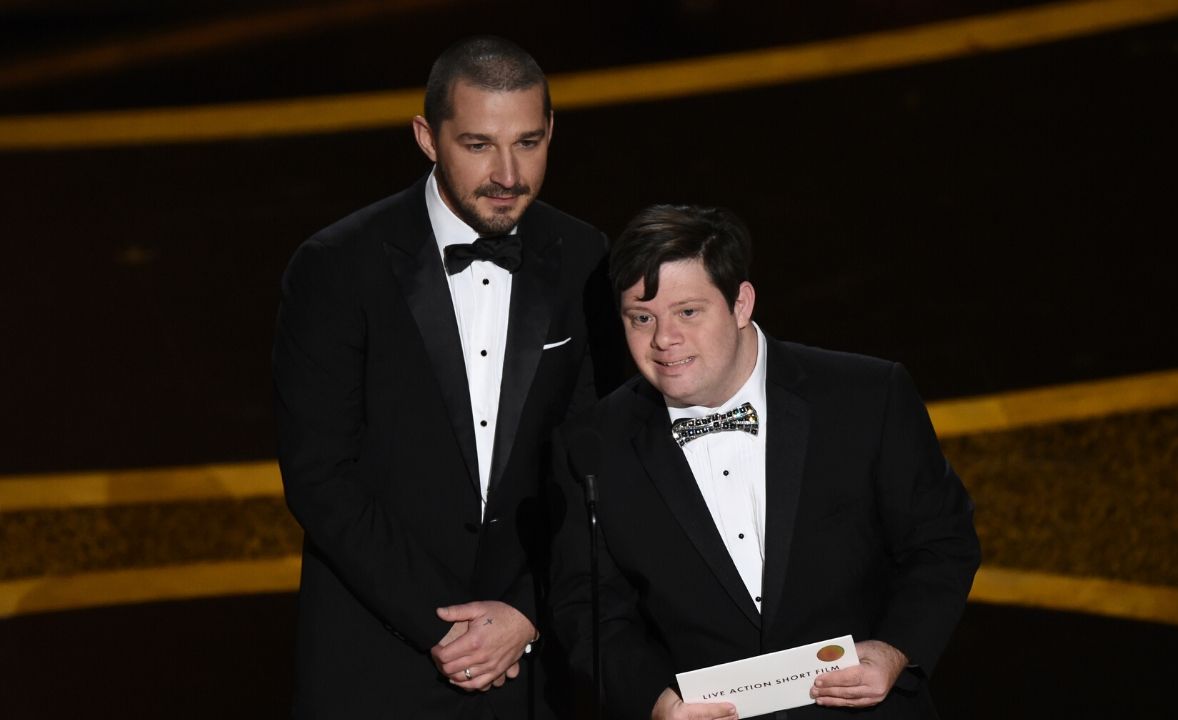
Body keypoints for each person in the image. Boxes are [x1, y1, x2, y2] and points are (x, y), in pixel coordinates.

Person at [273, 35, 623, 718]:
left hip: (532, 663)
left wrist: (527, 610)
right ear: (427, 138)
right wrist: (449, 628)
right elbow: (320, 477)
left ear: (551, 130)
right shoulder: (337, 267)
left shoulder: (584, 255)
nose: (507, 174)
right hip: (376, 656)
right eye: (477, 145)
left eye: (527, 142)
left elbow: (599, 464)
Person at [548, 205, 981, 719]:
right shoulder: (595, 442)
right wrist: (657, 702)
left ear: (741, 304)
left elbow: (942, 540)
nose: (664, 340)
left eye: (688, 312)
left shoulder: (865, 398)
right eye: (642, 318)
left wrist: (895, 650)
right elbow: (590, 608)